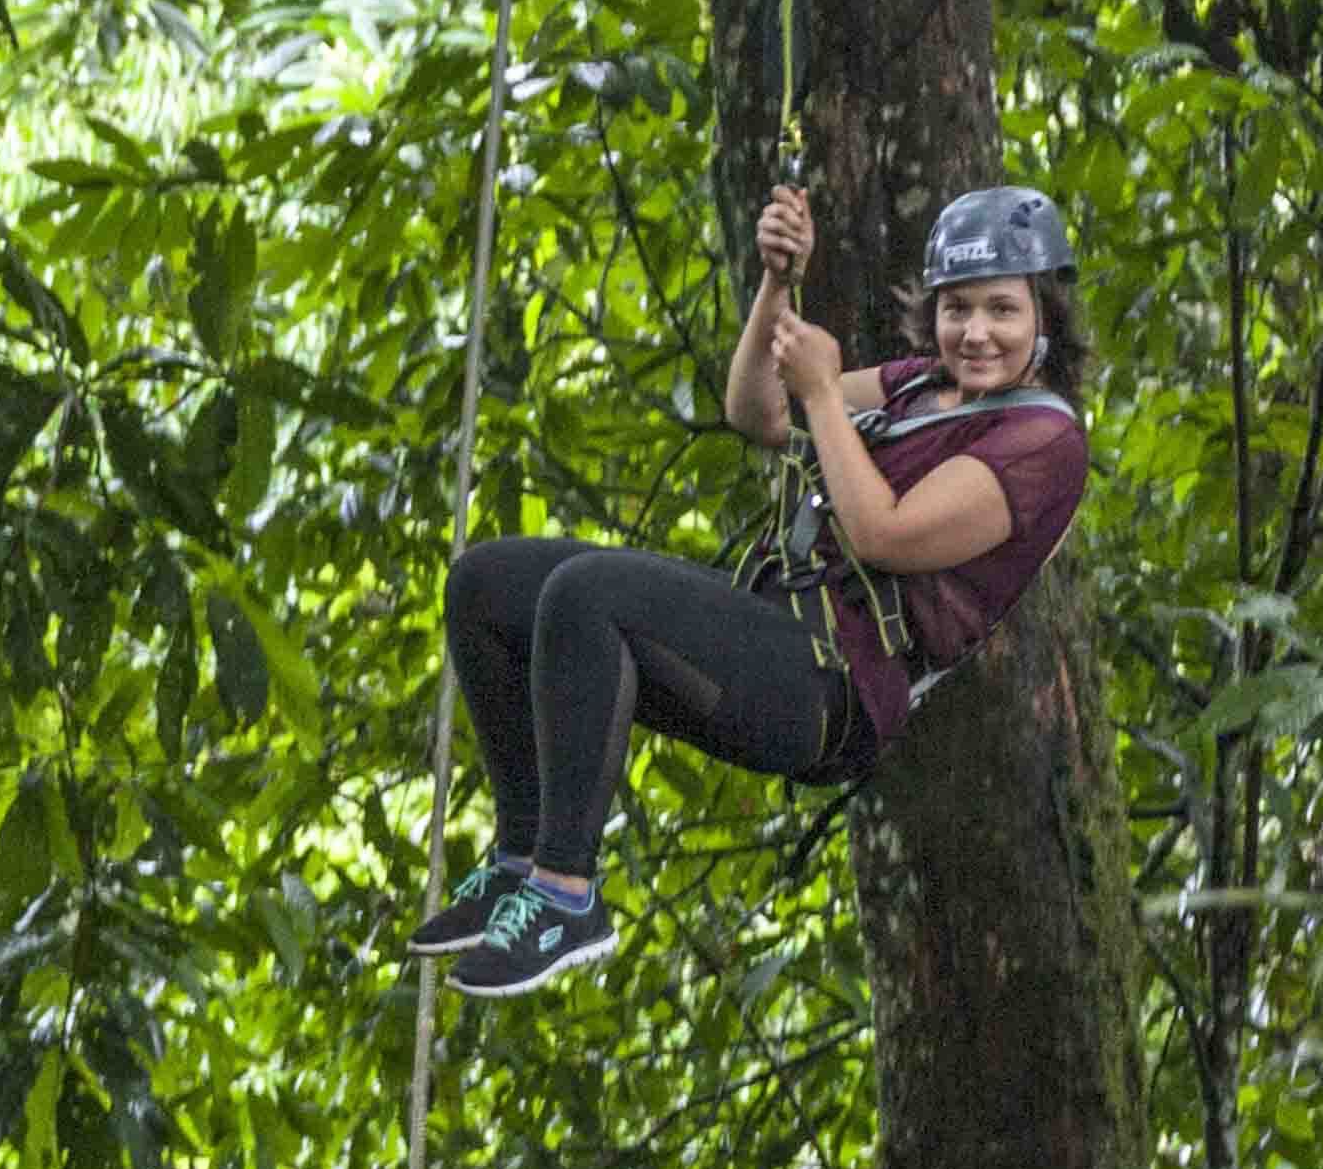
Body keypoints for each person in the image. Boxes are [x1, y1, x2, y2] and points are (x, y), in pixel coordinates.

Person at [420, 180, 1095, 997]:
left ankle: (568, 897)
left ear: (1045, 318)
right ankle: (520, 862)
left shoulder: (1043, 441)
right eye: (958, 309)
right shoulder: (920, 386)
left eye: (1002, 310)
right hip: (777, 637)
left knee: (588, 594)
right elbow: (758, 413)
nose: (975, 332)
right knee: (489, 585)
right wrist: (778, 283)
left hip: (836, 692)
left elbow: (888, 532)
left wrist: (822, 391)